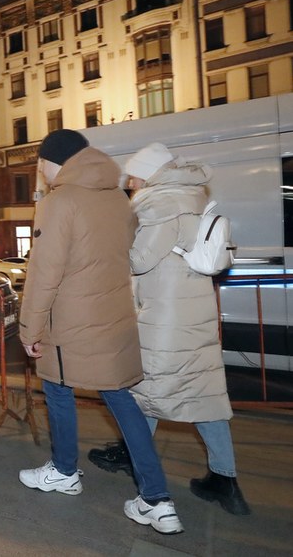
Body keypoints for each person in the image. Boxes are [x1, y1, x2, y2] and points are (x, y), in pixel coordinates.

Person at [17, 129, 184, 535]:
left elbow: (45, 272)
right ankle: (157, 500)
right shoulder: (117, 198)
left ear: (55, 162)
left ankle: (63, 471)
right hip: (113, 318)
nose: (40, 171)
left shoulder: (60, 201)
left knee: (58, 391)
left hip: (69, 322)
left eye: (41, 163)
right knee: (123, 401)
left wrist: (29, 327)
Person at [87, 142, 251, 515]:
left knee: (141, 388)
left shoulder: (161, 203)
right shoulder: (187, 197)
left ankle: (136, 457)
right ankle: (224, 480)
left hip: (165, 319)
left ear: (148, 174)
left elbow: (139, 260)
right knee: (201, 395)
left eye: (133, 175)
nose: (129, 182)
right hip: (189, 313)